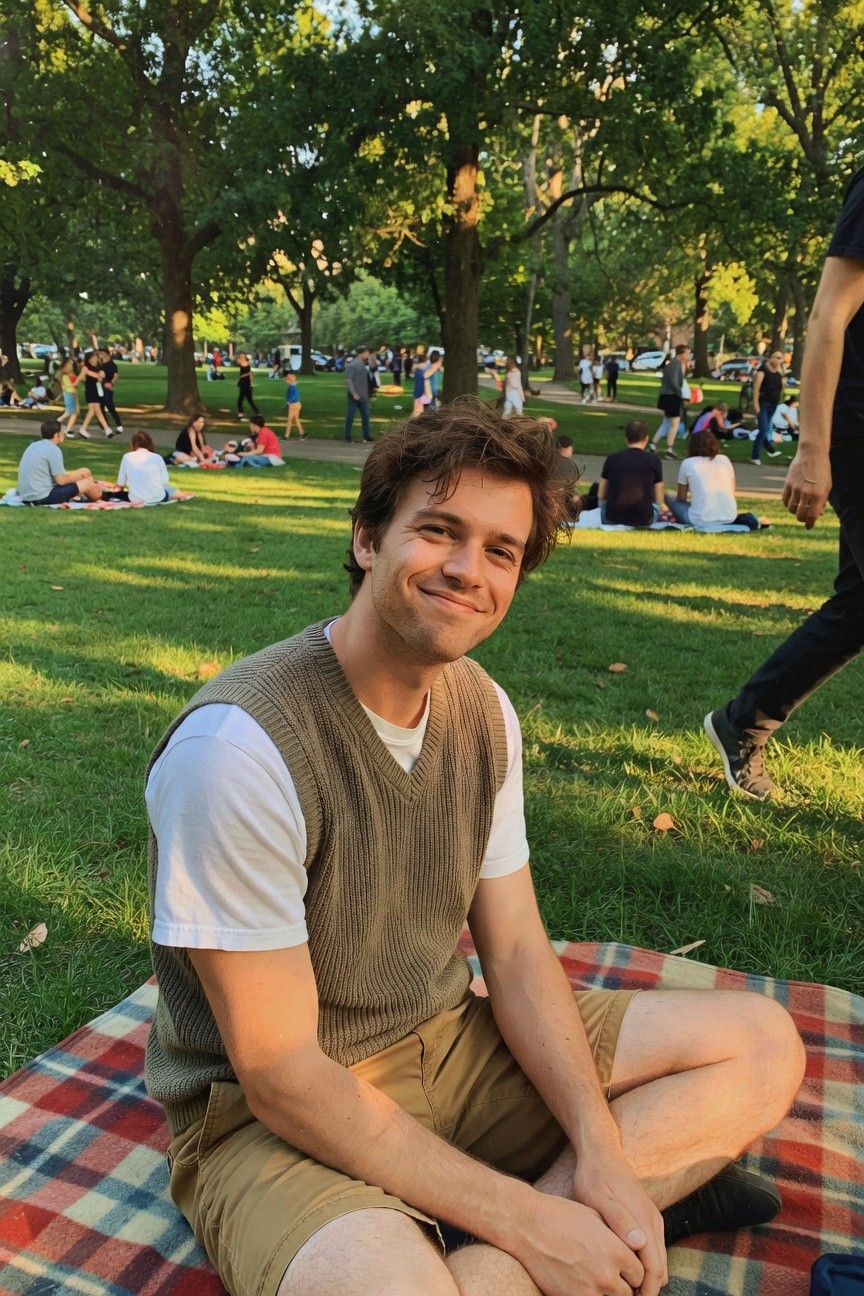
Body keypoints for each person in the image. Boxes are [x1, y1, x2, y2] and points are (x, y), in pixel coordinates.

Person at [145, 401, 803, 1296]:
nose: (467, 571)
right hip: (269, 1123)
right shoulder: (237, 749)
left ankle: (553, 1238)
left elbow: (521, 951)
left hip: (451, 1047)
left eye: (501, 551)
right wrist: (533, 1220)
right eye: (439, 531)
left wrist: (601, 1154)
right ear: (368, 538)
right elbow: (281, 1075)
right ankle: (598, 1227)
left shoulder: (482, 713)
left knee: (762, 1045)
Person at [705, 165, 864, 799]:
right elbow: (829, 313)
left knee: (858, 609)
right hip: (858, 425)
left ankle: (743, 722)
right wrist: (813, 451)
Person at [665, 428, 761, 530]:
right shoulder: (724, 460)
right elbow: (732, 491)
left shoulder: (688, 463)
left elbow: (681, 498)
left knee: (668, 497)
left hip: (699, 519)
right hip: (729, 517)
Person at [17, 418, 103, 504]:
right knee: (87, 483)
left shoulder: (33, 446)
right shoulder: (53, 449)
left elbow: (54, 475)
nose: (63, 434)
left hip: (27, 496)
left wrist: (80, 474)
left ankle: (96, 492)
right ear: (56, 435)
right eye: (62, 432)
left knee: (85, 472)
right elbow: (61, 481)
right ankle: (102, 496)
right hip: (43, 497)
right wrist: (79, 476)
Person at [599, 419, 665, 526]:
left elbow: (601, 495)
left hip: (611, 518)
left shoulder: (612, 459)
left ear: (626, 439)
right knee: (657, 507)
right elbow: (659, 495)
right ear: (646, 439)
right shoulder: (654, 460)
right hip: (644, 519)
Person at [650, 345, 690, 459]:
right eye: (687, 353)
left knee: (667, 421)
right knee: (675, 422)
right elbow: (674, 381)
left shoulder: (675, 364)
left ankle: (653, 445)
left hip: (668, 395)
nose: (688, 356)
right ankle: (669, 449)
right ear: (681, 353)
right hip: (671, 395)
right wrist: (679, 393)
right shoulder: (674, 364)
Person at [117, 430, 178, 504]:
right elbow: (165, 481)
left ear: (133, 444)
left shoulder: (127, 457)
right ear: (149, 444)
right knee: (172, 489)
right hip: (158, 497)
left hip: (135, 498)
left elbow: (121, 483)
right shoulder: (157, 457)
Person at [750, 350, 785, 465]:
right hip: (763, 403)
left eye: (780, 358)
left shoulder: (778, 372)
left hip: (773, 404)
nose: (777, 360)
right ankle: (755, 456)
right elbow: (756, 387)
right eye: (775, 357)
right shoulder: (763, 370)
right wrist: (756, 403)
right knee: (763, 429)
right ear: (770, 358)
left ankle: (770, 449)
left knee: (765, 429)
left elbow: (781, 388)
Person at [78, 352, 114, 439]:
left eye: (95, 358)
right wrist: (100, 374)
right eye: (93, 358)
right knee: (95, 411)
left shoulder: (96, 368)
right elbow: (92, 376)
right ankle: (107, 429)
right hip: (90, 391)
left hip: (96, 391)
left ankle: (105, 429)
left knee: (94, 411)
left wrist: (101, 375)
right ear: (89, 359)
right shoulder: (86, 368)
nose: (95, 360)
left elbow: (99, 379)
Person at [345, 346, 372, 443]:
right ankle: (347, 436)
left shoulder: (364, 365)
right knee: (351, 415)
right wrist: (354, 393)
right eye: (367, 353)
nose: (368, 355)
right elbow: (348, 380)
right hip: (354, 396)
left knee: (366, 416)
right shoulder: (353, 365)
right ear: (363, 353)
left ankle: (367, 435)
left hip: (364, 395)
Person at [553, 433, 581, 520]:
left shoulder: (548, 461)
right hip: (563, 504)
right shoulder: (571, 465)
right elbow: (573, 491)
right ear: (566, 448)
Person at [97, 347, 124, 435]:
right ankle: (105, 426)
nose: (100, 354)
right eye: (99, 353)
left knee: (109, 405)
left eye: (101, 352)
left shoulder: (112, 364)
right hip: (99, 387)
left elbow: (115, 376)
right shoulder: (99, 364)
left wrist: (111, 383)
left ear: (106, 354)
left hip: (107, 387)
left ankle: (119, 426)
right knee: (100, 407)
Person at [412, 349, 442, 417]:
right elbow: (426, 374)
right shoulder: (435, 364)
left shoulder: (428, 364)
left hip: (425, 390)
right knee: (430, 409)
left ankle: (423, 418)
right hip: (431, 390)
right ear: (438, 357)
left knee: (425, 408)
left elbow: (416, 368)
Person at [55, 359, 80, 436]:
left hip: (70, 394)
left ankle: (55, 425)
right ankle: (68, 430)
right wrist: (77, 381)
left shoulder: (69, 375)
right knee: (73, 413)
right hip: (69, 395)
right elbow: (68, 387)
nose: (71, 365)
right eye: (69, 364)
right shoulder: (64, 376)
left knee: (67, 413)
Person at [236, 353, 260, 420]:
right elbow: (247, 375)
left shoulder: (246, 364)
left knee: (243, 400)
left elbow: (249, 375)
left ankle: (242, 414)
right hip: (244, 383)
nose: (240, 358)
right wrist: (249, 374)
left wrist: (251, 383)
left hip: (245, 383)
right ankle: (257, 413)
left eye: (242, 357)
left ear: (244, 358)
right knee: (246, 400)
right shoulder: (243, 364)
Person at [284, 372, 305, 439]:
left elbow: (293, 397)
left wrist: (288, 402)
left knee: (290, 420)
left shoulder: (291, 387)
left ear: (290, 380)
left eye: (287, 380)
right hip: (298, 404)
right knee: (296, 419)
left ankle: (286, 436)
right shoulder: (294, 386)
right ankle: (302, 433)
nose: (286, 381)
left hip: (293, 405)